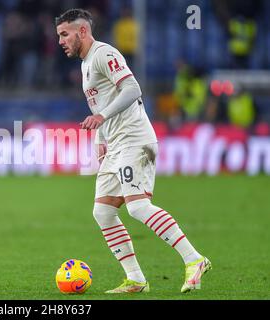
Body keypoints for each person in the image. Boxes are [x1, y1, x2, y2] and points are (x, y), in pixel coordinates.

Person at [55, 9, 211, 294]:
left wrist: (101, 117)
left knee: (138, 206)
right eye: (59, 36)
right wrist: (100, 138)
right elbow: (102, 103)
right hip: (115, 145)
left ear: (82, 32)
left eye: (64, 34)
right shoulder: (85, 63)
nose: (61, 41)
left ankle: (195, 259)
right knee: (103, 212)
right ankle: (136, 278)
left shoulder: (104, 54)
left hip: (134, 140)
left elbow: (132, 89)